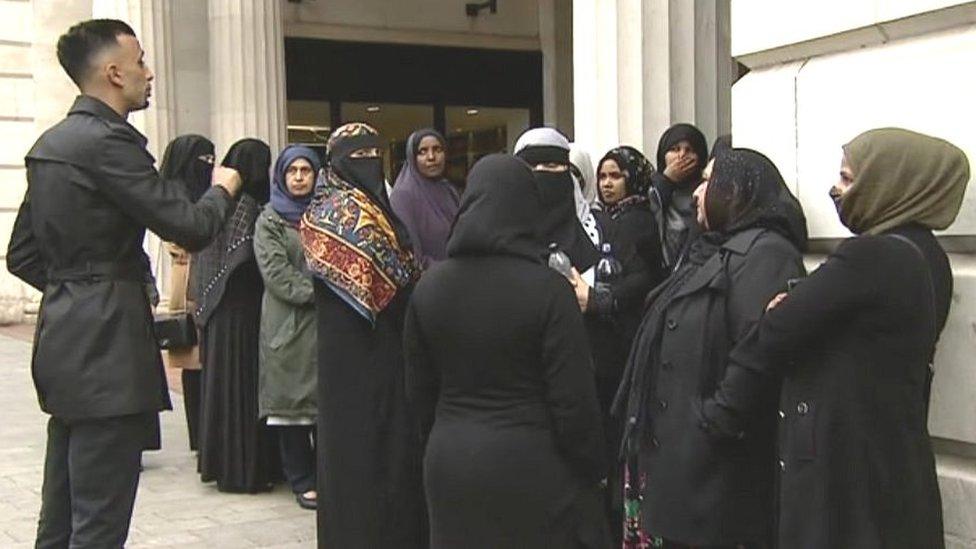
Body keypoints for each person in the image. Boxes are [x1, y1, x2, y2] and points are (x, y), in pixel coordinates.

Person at [5, 19, 241, 548]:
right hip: (107, 347)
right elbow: (191, 227)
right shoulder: (109, 143)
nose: (149, 72)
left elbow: (22, 255)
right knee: (99, 525)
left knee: (62, 517)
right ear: (113, 72)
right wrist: (223, 189)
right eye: (139, 62)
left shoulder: (52, 144)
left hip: (64, 339)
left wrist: (78, 288)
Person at [700, 128, 969, 548]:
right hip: (889, 464)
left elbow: (777, 330)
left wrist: (783, 305)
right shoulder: (928, 256)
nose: (835, 189)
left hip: (844, 474)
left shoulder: (871, 255)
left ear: (890, 182)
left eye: (847, 178)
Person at [405, 153, 609, 548]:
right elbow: (573, 400)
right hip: (534, 462)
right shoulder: (549, 291)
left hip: (451, 458)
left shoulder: (429, 287)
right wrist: (593, 467)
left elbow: (418, 392)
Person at [615, 148, 807, 548]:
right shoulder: (706, 250)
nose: (698, 193)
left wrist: (711, 420)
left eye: (709, 181)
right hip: (679, 463)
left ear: (736, 191)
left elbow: (758, 357)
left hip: (716, 473)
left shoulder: (766, 254)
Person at [299, 122, 427, 548]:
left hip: (391, 352)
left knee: (391, 453)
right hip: (347, 357)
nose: (368, 164)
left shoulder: (384, 211)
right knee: (352, 456)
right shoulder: (324, 214)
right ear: (335, 161)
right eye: (358, 156)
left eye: (374, 155)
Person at [570, 145, 667, 542]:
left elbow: (643, 279)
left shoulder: (631, 223)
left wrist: (600, 300)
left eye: (616, 176)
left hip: (616, 349)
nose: (607, 184)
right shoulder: (599, 220)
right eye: (603, 177)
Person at [194, 138, 276, 493]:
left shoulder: (220, 203)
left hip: (221, 315)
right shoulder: (247, 208)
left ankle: (227, 465)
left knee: (225, 391)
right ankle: (245, 470)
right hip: (243, 314)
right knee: (243, 391)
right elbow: (243, 262)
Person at [254, 145, 320, 510]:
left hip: (325, 327)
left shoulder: (326, 214)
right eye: (292, 170)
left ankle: (327, 476)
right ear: (281, 175)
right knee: (292, 408)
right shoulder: (270, 220)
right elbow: (277, 274)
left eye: (305, 170)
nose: (298, 177)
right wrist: (323, 292)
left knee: (324, 407)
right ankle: (302, 480)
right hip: (288, 325)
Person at [158, 133, 216, 452]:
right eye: (202, 161)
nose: (207, 167)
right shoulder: (171, 195)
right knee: (194, 363)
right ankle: (200, 435)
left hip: (199, 278)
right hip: (187, 283)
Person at [513, 127, 600, 277]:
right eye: (530, 167)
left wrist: (594, 297)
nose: (540, 172)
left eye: (551, 166)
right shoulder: (504, 234)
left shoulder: (601, 230)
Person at [390, 128, 460, 269]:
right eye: (423, 151)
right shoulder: (403, 196)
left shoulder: (449, 190)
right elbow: (412, 256)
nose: (431, 157)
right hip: (429, 284)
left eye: (437, 149)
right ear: (412, 158)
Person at [649, 123, 709, 269]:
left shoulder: (706, 193)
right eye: (675, 149)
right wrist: (666, 182)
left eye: (689, 150)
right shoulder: (650, 188)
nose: (682, 156)